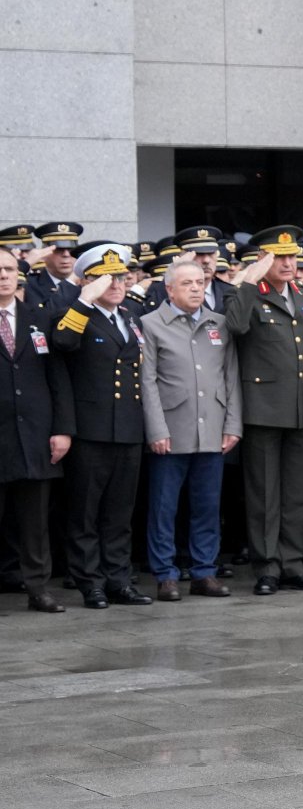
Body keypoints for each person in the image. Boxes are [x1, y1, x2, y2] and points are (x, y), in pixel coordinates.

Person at [52, 243, 155, 608]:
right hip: (91, 429)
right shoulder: (73, 314)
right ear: (87, 281)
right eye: (105, 278)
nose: (116, 284)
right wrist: (84, 299)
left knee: (119, 513)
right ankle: (89, 582)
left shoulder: (131, 317)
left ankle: (118, 579)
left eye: (122, 277)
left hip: (127, 427)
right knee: (85, 513)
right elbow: (62, 341)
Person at [223, 228, 303, 595]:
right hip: (263, 408)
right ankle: (267, 565)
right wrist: (249, 279)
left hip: (301, 407)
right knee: (264, 493)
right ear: (262, 260)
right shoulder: (246, 294)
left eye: (291, 257)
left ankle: (293, 563)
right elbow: (234, 326)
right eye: (278, 257)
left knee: (296, 492)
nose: (287, 263)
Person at [137, 260, 241, 601]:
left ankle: (203, 572)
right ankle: (165, 574)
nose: (197, 288)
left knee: (207, 507)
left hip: (212, 428)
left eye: (200, 282)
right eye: (187, 283)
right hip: (172, 429)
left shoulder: (219, 324)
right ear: (169, 289)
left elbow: (231, 378)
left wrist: (233, 425)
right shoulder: (151, 325)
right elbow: (147, 381)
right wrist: (156, 429)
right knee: (164, 508)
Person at [0, 247, 72, 613]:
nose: (4, 275)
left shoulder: (37, 318)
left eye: (10, 269)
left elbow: (57, 378)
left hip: (35, 435)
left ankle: (38, 588)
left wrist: (62, 429)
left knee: (34, 521)